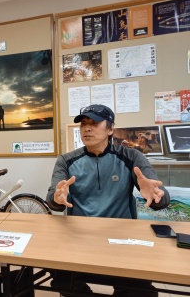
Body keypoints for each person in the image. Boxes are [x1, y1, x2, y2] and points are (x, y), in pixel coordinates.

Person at [46, 104, 170, 297]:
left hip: (121, 239)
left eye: (94, 123)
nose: (86, 128)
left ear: (111, 128)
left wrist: (156, 196)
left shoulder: (130, 156)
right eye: (83, 124)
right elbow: (53, 199)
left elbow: (160, 198)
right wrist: (56, 197)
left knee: (140, 291)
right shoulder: (66, 160)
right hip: (80, 236)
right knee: (60, 278)